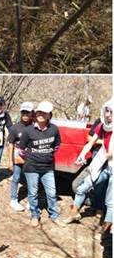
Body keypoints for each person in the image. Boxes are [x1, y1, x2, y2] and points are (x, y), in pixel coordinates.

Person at [64, 100, 112, 235]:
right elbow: (90, 142)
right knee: (81, 188)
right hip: (101, 164)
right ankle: (74, 213)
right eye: (107, 111)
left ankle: (105, 230)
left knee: (108, 200)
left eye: (111, 111)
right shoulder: (102, 126)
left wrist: (104, 156)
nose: (108, 114)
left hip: (110, 166)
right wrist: (82, 155)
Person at [19, 101, 64, 227]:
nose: (41, 114)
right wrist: (32, 157)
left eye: (44, 112)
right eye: (39, 112)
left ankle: (54, 215)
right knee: (33, 193)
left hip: (48, 167)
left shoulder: (54, 129)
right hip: (31, 167)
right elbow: (21, 150)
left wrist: (46, 156)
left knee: (51, 193)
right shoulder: (28, 131)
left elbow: (57, 146)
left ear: (49, 115)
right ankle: (35, 215)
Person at [8, 102, 34, 211]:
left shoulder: (35, 127)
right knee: (16, 178)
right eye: (23, 112)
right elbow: (10, 144)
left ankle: (30, 201)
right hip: (18, 158)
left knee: (31, 180)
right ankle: (13, 200)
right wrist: (10, 161)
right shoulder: (15, 128)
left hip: (31, 159)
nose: (25, 115)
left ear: (32, 113)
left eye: (27, 112)